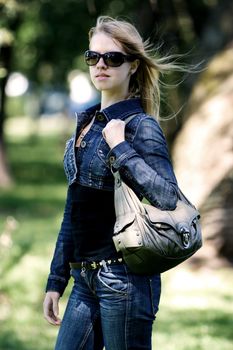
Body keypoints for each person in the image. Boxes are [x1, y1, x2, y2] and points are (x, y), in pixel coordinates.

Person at [43, 16, 179, 350]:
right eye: (93, 57)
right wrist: (56, 280)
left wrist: (122, 149)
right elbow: (73, 209)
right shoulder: (85, 125)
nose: (100, 65)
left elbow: (168, 196)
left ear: (133, 65)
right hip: (84, 279)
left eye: (113, 58)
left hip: (125, 280)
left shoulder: (140, 126)